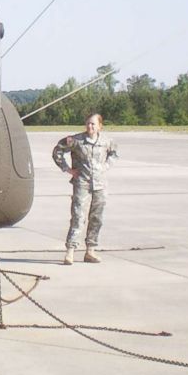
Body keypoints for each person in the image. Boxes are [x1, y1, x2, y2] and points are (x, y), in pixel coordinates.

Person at [52, 113, 119, 265]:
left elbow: (114, 153)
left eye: (93, 124)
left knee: (96, 218)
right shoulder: (76, 141)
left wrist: (106, 166)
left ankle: (90, 251)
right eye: (88, 123)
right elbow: (57, 151)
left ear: (100, 126)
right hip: (82, 183)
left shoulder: (106, 141)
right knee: (78, 217)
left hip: (100, 185)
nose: (90, 127)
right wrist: (68, 169)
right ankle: (70, 251)